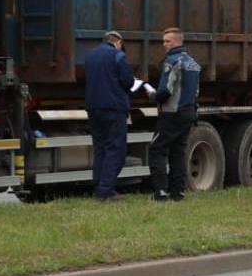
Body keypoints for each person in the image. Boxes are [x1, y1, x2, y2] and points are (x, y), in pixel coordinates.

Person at [149, 27, 202, 201]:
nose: (164, 45)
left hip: (171, 113)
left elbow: (165, 90)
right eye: (164, 41)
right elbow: (195, 91)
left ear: (177, 42)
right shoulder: (193, 63)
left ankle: (161, 192)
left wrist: (153, 95)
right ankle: (178, 192)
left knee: (157, 149)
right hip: (188, 112)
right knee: (178, 152)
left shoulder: (171, 62)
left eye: (167, 41)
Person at [83, 31, 136, 200]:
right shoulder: (117, 55)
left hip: (93, 107)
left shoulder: (90, 56)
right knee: (115, 149)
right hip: (113, 108)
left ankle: (98, 186)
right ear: (118, 42)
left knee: (100, 148)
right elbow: (128, 81)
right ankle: (105, 190)